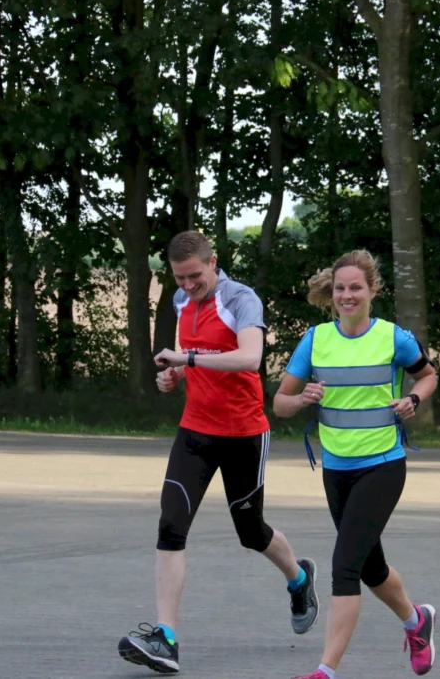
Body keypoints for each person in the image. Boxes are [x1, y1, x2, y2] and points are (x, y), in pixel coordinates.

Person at [117, 231, 319, 674]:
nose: (188, 286)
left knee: (250, 532)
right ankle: (165, 638)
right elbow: (191, 364)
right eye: (179, 278)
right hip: (195, 432)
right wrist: (174, 377)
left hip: (244, 432)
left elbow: (248, 358)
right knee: (171, 523)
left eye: (195, 276)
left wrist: (185, 360)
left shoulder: (241, 299)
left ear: (214, 262)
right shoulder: (180, 301)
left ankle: (299, 578)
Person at [273, 250, 439, 679]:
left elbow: (429, 374)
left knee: (345, 565)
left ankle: (325, 670)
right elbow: (280, 404)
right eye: (341, 289)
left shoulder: (393, 338)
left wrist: (413, 399)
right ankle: (415, 620)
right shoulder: (314, 340)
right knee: (370, 566)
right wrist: (302, 397)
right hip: (336, 469)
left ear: (371, 291)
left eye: (356, 288)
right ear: (333, 293)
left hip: (383, 464)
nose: (348, 296)